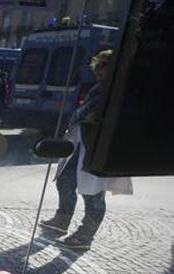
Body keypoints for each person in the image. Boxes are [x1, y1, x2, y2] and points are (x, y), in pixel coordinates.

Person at [40, 50, 133, 250]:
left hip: (99, 146)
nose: (99, 72)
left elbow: (114, 116)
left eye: (104, 68)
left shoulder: (119, 89)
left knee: (93, 192)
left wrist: (94, 118)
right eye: (98, 68)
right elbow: (83, 113)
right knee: (65, 180)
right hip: (81, 140)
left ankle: (86, 235)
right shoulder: (98, 88)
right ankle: (63, 218)